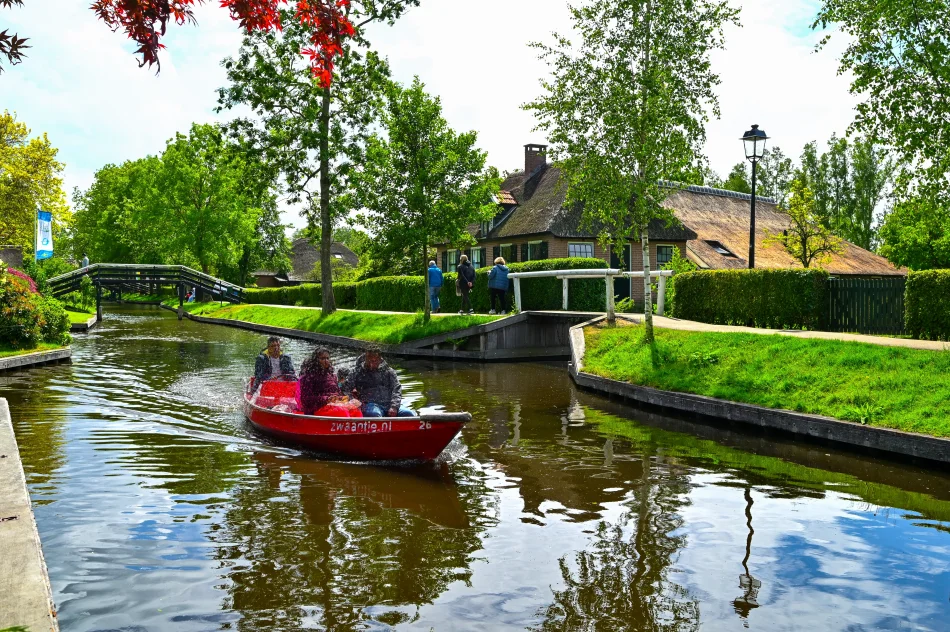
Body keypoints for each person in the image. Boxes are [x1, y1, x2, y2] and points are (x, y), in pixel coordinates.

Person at [342, 346, 414, 417]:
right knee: (375, 415)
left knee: (408, 414)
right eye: (369, 360)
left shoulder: (389, 371)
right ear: (365, 358)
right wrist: (352, 401)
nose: (371, 364)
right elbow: (345, 389)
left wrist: (394, 406)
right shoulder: (357, 372)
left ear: (380, 359)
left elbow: (397, 388)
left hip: (389, 404)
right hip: (369, 404)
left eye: (374, 361)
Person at [296, 347, 344, 415]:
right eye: (323, 358)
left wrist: (341, 398)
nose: (326, 361)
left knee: (355, 411)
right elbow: (305, 399)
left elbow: (337, 392)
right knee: (342, 412)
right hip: (316, 409)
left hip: (334, 406)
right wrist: (326, 399)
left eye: (327, 358)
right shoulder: (309, 377)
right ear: (315, 360)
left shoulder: (332, 375)